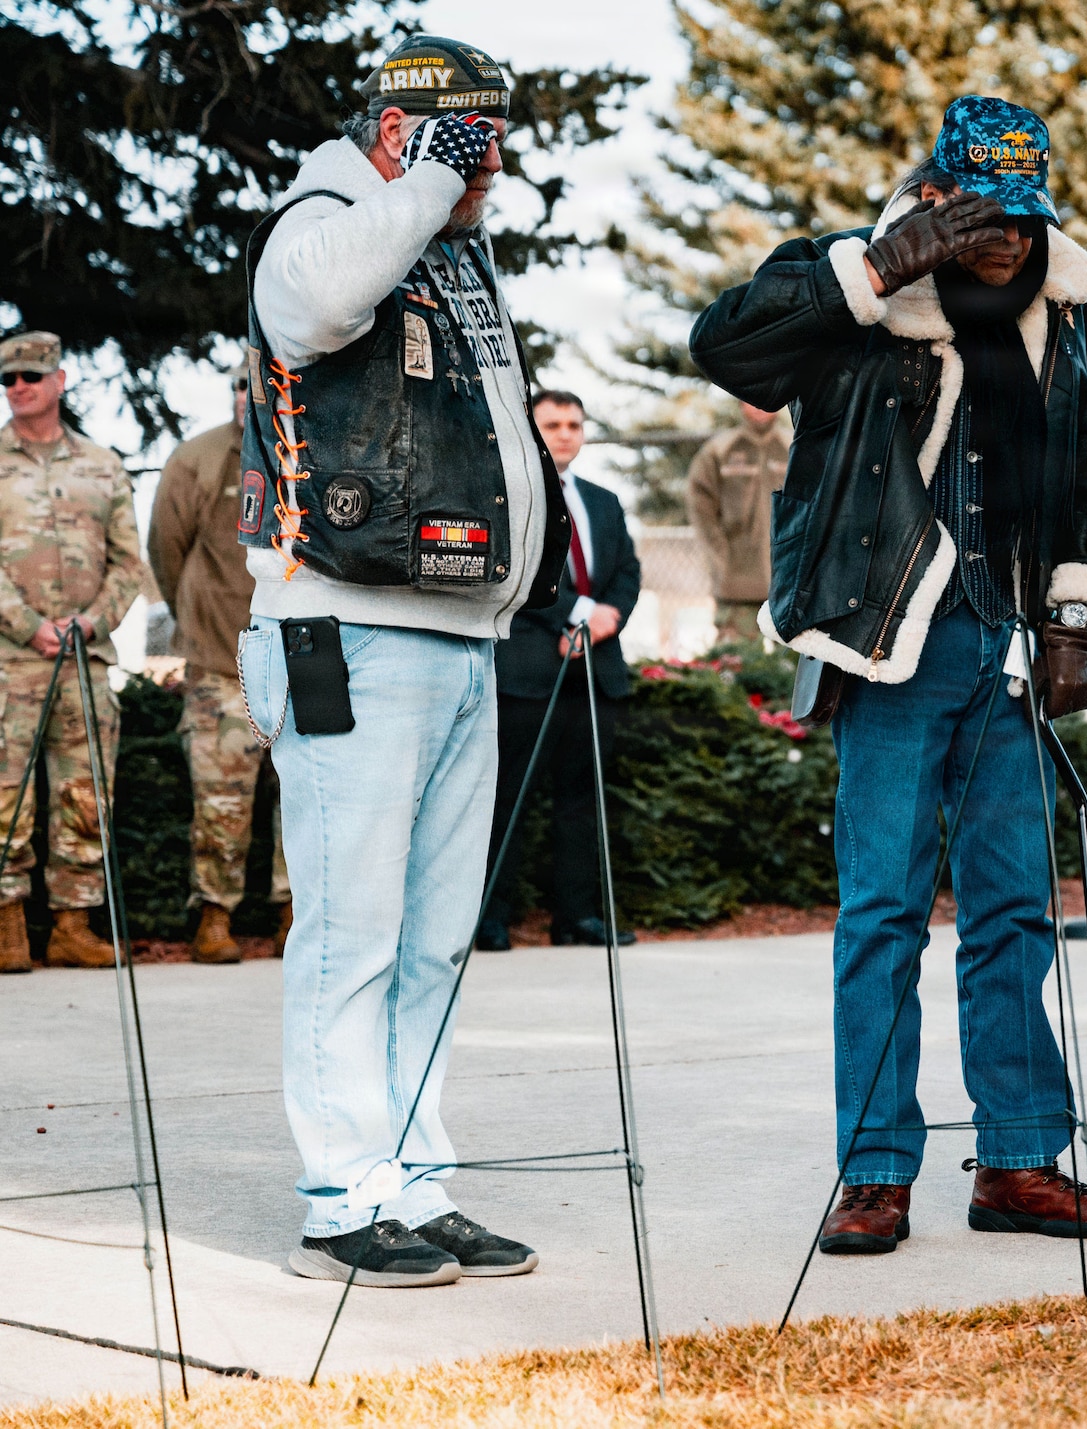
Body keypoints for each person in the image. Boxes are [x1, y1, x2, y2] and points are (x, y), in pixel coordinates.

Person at [691, 95, 1087, 1255]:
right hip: (887, 644)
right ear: (938, 194)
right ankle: (873, 1171)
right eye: (986, 213)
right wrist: (877, 265)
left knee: (1013, 912)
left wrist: (1073, 616)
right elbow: (725, 346)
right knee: (881, 915)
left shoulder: (1069, 307)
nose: (1009, 237)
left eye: (1024, 215)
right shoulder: (855, 288)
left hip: (1014, 647)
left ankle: (1018, 1160)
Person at [236, 33, 570, 1287]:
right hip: (344, 625)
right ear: (402, 131)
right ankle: (342, 1199)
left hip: (456, 631)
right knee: (351, 934)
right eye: (474, 142)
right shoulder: (324, 215)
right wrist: (429, 175)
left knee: (432, 942)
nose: (490, 169)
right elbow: (311, 310)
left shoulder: (443, 245)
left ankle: (414, 1182)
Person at [0, 331, 144, 976]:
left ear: (59, 381)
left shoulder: (102, 465)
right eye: (8, 379)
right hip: (10, 661)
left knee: (86, 792)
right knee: (4, 792)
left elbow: (129, 563)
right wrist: (28, 625)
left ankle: (72, 926)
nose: (18, 387)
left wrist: (92, 622)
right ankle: (7, 927)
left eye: (30, 375)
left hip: (85, 659)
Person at [477, 390, 641, 952]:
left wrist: (606, 618)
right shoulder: (510, 495)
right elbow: (517, 573)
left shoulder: (604, 501)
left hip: (595, 670)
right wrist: (577, 614)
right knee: (508, 798)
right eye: (553, 424)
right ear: (532, 430)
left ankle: (577, 918)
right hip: (528, 671)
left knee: (582, 800)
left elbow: (626, 571)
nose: (566, 433)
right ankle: (490, 919)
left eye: (574, 423)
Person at [148, 364, 291, 965]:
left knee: (308, 797)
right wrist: (199, 616)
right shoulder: (196, 458)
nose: (247, 395)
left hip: (302, 661)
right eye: (239, 384)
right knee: (220, 800)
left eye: (262, 385)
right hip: (219, 661)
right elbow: (166, 550)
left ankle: (295, 915)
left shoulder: (317, 453)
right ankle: (214, 916)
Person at [687, 399, 789, 644]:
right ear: (741, 402)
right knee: (734, 661)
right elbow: (701, 508)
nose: (760, 406)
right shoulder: (720, 449)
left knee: (791, 665)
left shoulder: (794, 445)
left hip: (788, 584)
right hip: (737, 585)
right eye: (753, 400)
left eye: (766, 399)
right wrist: (722, 557)